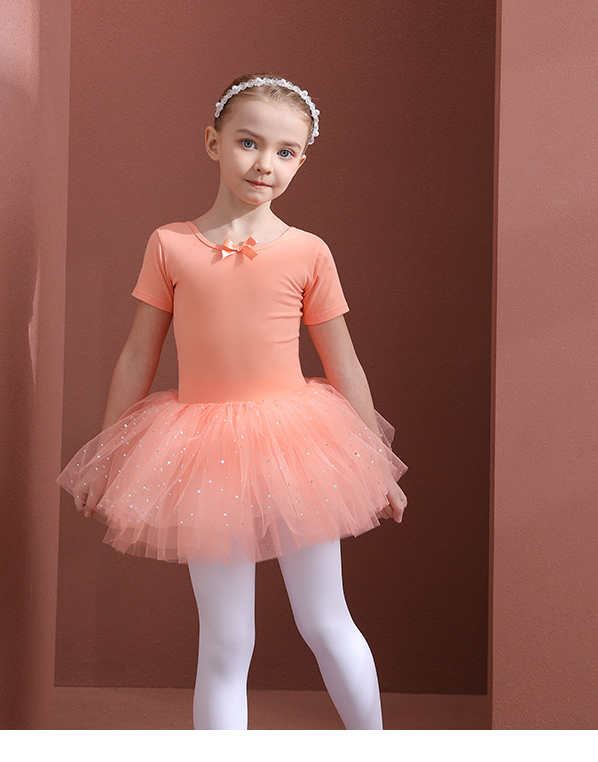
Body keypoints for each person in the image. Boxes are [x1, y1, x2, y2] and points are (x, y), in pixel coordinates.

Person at [57, 74, 408, 730]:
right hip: (203, 455)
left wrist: (375, 465)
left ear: (301, 161)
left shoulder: (308, 251)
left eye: (285, 151)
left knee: (325, 620)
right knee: (225, 639)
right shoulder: (170, 244)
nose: (264, 163)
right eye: (249, 142)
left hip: (298, 448)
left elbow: (344, 364)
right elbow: (137, 356)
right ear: (213, 142)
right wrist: (105, 457)